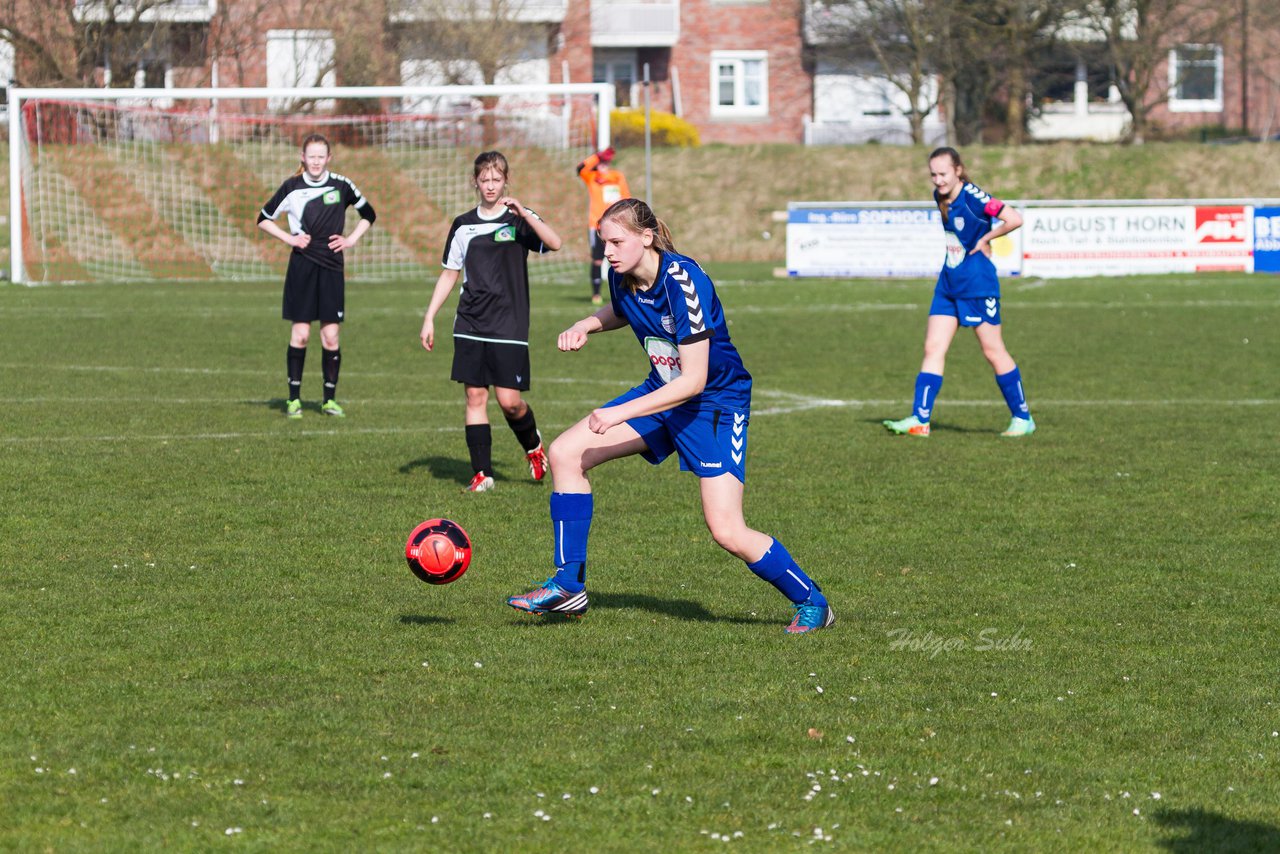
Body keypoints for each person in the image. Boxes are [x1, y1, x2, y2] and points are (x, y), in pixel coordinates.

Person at [507, 198, 835, 635]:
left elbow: (694, 380)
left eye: (617, 242)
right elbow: (623, 310)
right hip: (664, 392)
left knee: (727, 530)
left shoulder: (685, 281)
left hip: (714, 404)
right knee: (567, 452)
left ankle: (813, 600)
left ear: (647, 238)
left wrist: (619, 411)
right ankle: (569, 586)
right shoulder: (621, 275)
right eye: (605, 243)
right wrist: (588, 324)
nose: (608, 252)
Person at [420, 151, 563, 492]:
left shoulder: (518, 221)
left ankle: (533, 446)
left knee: (510, 402)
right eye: (484, 179)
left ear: (506, 181)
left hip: (509, 322)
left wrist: (525, 213)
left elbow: (555, 243)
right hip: (470, 320)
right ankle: (483, 474)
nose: (490, 185)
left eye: (496, 179)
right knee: (474, 396)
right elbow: (449, 273)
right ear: (475, 182)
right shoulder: (463, 224)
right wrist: (429, 317)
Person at [883, 146, 1034, 438]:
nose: (938, 180)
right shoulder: (939, 197)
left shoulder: (975, 197)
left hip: (977, 285)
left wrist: (987, 238)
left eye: (943, 174)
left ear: (958, 170)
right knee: (933, 348)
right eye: (933, 175)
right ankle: (920, 420)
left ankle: (1022, 417)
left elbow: (1014, 218)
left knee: (993, 351)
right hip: (949, 283)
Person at [258, 133, 376, 419]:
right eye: (311, 156)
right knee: (300, 334)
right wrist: (290, 239)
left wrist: (350, 240)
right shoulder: (292, 186)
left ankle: (329, 400)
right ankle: (294, 400)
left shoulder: (341, 184)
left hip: (332, 266)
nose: (315, 161)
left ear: (328, 158)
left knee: (331, 337)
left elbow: (368, 214)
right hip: (302, 265)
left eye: (320, 156)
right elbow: (263, 218)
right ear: (303, 157)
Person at [576, 146, 631, 305]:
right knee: (598, 260)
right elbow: (580, 168)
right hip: (597, 226)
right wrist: (595, 157)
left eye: (605, 162)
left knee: (623, 258)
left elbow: (626, 198)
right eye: (601, 162)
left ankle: (626, 291)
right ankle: (596, 293)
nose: (603, 165)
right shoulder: (592, 177)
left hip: (617, 224)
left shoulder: (617, 176)